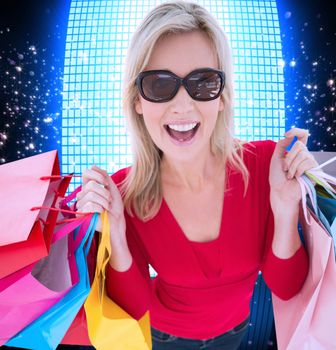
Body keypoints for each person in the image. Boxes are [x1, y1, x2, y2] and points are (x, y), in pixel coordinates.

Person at [75, 1, 318, 349]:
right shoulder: (122, 192)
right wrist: (117, 235)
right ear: (138, 101)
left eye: (203, 83)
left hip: (235, 331)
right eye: (160, 85)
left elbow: (286, 287)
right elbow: (132, 307)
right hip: (162, 337)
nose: (183, 105)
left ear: (222, 97)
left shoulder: (266, 165)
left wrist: (285, 207)